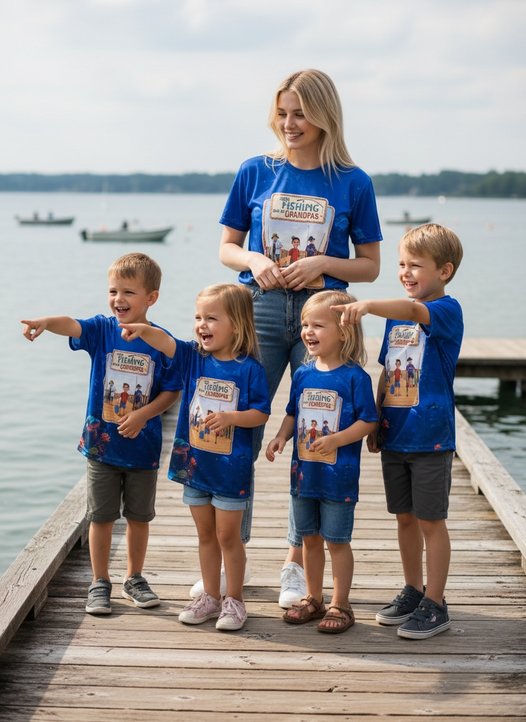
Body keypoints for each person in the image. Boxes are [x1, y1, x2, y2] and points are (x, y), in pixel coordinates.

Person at [218, 68, 382, 607]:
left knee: (313, 436)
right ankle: (230, 561)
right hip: (260, 310)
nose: (289, 124)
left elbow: (370, 266)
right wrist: (255, 260)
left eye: (301, 114)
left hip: (326, 316)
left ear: (324, 117)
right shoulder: (255, 171)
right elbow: (227, 248)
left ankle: (294, 563)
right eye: (283, 113)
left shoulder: (353, 182)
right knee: (240, 432)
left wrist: (322, 263)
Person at [21, 253, 182, 615]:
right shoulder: (102, 330)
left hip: (143, 449)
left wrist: (143, 414)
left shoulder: (161, 342)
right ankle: (100, 581)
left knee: (139, 518)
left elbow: (172, 391)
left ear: (151, 297)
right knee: (101, 517)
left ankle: (134, 578)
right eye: (113, 291)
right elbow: (73, 325)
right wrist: (46, 322)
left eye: (128, 292)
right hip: (101, 447)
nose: (118, 299)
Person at [334, 223, 464, 639]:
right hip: (396, 434)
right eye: (402, 264)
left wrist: (367, 304)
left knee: (431, 520)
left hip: (431, 437)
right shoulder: (396, 317)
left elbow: (412, 312)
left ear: (444, 271)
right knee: (404, 518)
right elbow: (388, 370)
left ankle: (436, 604)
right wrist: (375, 418)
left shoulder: (445, 311)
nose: (406, 272)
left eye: (416, 265)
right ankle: (413, 589)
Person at [119, 283, 270, 632]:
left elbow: (261, 413)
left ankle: (234, 600)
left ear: (237, 325)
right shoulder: (192, 358)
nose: (202, 324)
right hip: (195, 467)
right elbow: (165, 342)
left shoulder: (250, 369)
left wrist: (232, 417)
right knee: (205, 535)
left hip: (230, 471)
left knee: (228, 537)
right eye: (198, 317)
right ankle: (211, 597)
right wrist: (142, 329)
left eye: (212, 318)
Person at [265, 291, 377, 633]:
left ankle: (341, 604)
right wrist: (281, 436)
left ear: (343, 331)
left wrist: (337, 439)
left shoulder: (356, 377)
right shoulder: (302, 373)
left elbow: (368, 421)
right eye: (305, 325)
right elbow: (292, 412)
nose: (307, 332)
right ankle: (313, 597)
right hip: (304, 476)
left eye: (317, 325)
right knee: (309, 539)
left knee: (337, 541)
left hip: (338, 478)